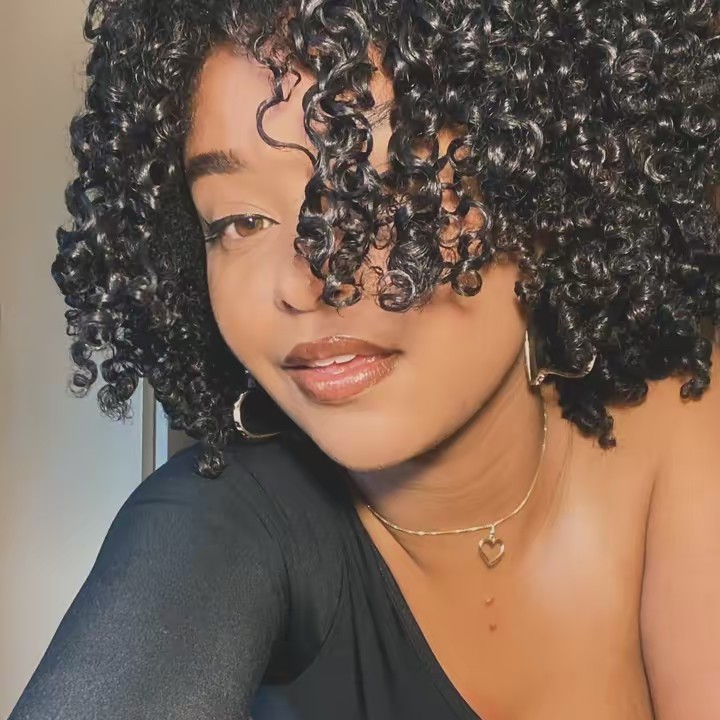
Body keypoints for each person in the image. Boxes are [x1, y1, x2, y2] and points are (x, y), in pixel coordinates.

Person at [9, 0, 720, 718]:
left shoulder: (680, 415)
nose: (306, 281)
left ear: (541, 184)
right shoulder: (215, 524)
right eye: (241, 221)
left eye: (382, 186)